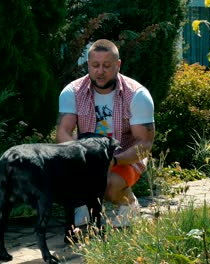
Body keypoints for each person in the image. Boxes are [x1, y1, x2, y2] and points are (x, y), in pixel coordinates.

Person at [56, 39, 155, 227]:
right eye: (95, 65)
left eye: (106, 66)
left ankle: (129, 205)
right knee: (61, 170)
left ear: (118, 65)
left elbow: (145, 143)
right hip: (86, 155)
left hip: (125, 156)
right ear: (88, 65)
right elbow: (63, 131)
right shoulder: (72, 92)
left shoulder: (137, 95)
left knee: (108, 186)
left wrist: (114, 161)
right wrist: (79, 158)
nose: (100, 71)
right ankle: (83, 207)